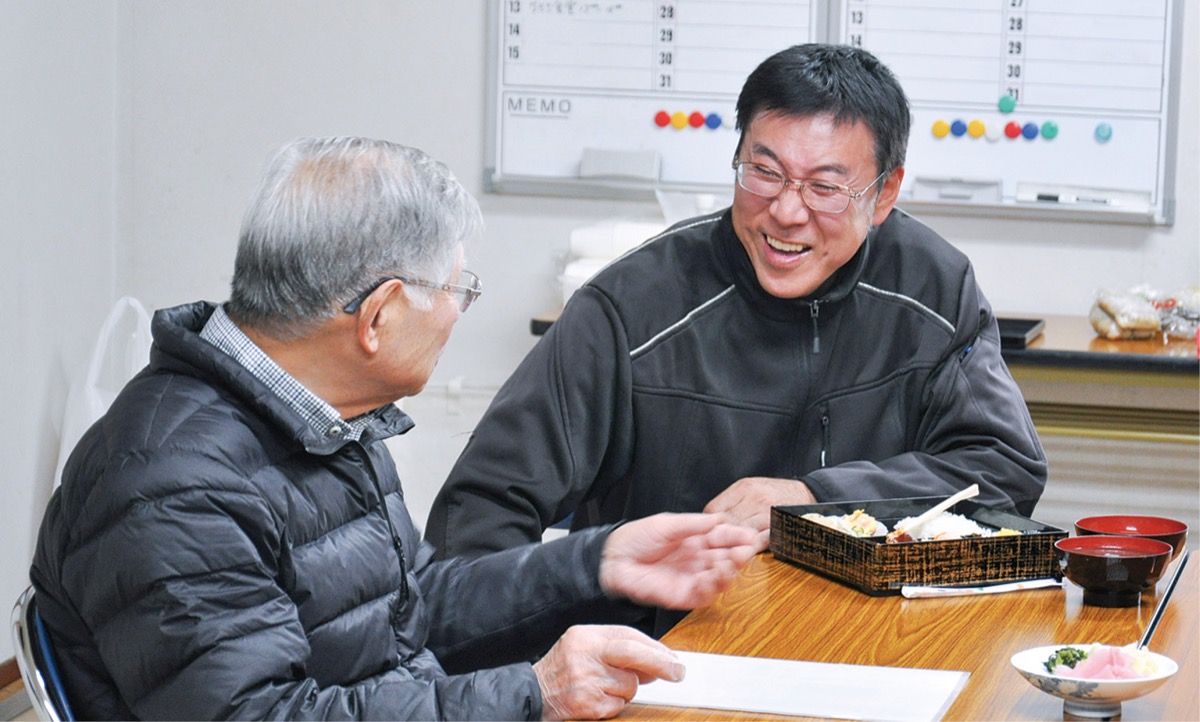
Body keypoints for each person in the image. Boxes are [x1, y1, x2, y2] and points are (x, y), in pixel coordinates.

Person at [29, 136, 761, 721]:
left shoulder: (320, 414)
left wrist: (595, 562)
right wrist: (531, 693)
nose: (458, 312)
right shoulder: (170, 487)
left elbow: (407, 608)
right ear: (378, 316)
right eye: (458, 290)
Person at [425, 43, 1048, 634]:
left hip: (879, 641)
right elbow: (478, 515)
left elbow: (1003, 468)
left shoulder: (932, 287)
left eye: (824, 187)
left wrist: (816, 500)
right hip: (668, 652)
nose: (786, 212)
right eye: (764, 172)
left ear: (884, 192)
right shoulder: (633, 307)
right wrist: (537, 672)